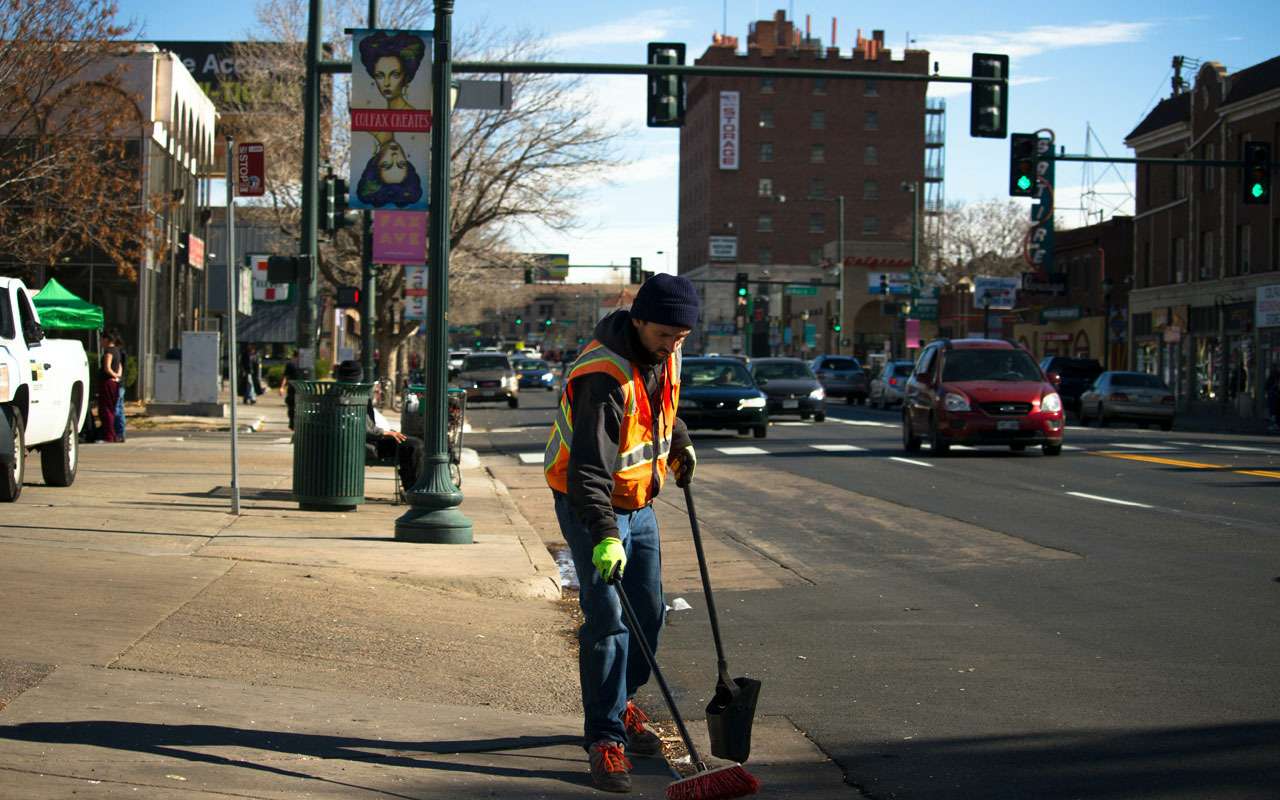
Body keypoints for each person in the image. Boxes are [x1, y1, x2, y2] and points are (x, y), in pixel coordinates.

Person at [544, 274, 699, 793]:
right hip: (591, 507)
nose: (674, 343)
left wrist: (679, 442)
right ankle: (605, 740)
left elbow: (661, 406)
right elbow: (589, 470)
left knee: (648, 612)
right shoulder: (603, 377)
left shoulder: (665, 351)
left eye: (682, 336)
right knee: (608, 621)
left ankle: (622, 701)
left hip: (640, 502)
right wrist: (605, 535)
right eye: (666, 334)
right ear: (638, 321)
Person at [334, 360, 423, 492]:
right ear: (360, 376)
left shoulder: (332, 392)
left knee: (407, 442)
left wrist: (385, 431)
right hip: (361, 443)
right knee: (413, 445)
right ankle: (412, 489)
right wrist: (383, 432)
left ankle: (412, 487)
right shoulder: (355, 395)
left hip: (346, 441)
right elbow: (362, 428)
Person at [96, 332, 122, 443]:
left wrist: (113, 375)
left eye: (102, 340)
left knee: (105, 410)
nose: (101, 342)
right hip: (115, 383)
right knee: (111, 409)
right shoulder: (117, 351)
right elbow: (120, 366)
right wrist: (118, 376)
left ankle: (109, 436)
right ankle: (113, 434)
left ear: (106, 340)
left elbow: (107, 367)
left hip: (108, 383)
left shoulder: (109, 352)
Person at [108, 328, 127, 442]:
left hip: (118, 382)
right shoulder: (120, 352)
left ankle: (119, 432)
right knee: (118, 407)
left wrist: (116, 376)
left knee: (117, 408)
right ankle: (120, 433)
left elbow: (120, 367)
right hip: (120, 381)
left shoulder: (117, 352)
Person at [280, 349, 301, 430]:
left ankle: (292, 423)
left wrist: (282, 387)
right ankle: (294, 423)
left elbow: (285, 376)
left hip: (292, 388)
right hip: (298, 389)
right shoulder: (304, 365)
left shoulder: (290, 364)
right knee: (293, 406)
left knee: (291, 406)